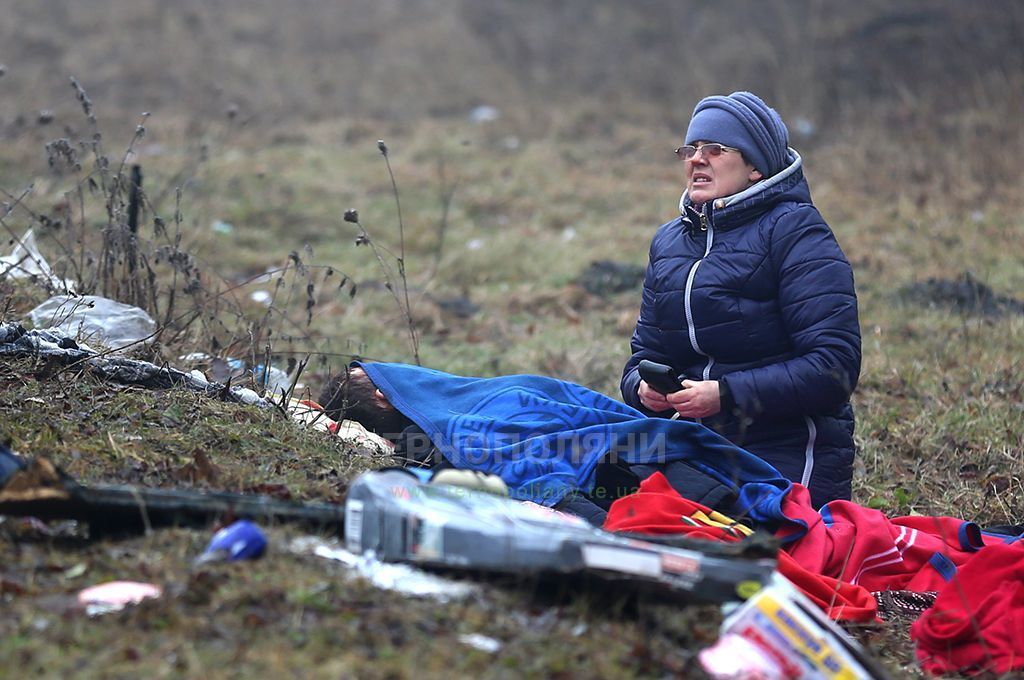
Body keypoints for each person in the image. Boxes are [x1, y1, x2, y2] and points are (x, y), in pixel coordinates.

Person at [621, 91, 861, 508]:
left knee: (734, 549)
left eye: (715, 149)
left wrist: (725, 395)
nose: (697, 159)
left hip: (783, 449)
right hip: (693, 441)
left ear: (754, 167)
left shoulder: (796, 231)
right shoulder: (668, 243)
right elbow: (643, 354)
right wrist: (643, 390)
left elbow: (834, 366)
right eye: (690, 149)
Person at [320, 362, 794, 526]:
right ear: (384, 394)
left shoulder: (438, 431)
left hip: (658, 467)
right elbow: (533, 471)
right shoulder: (451, 433)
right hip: (659, 477)